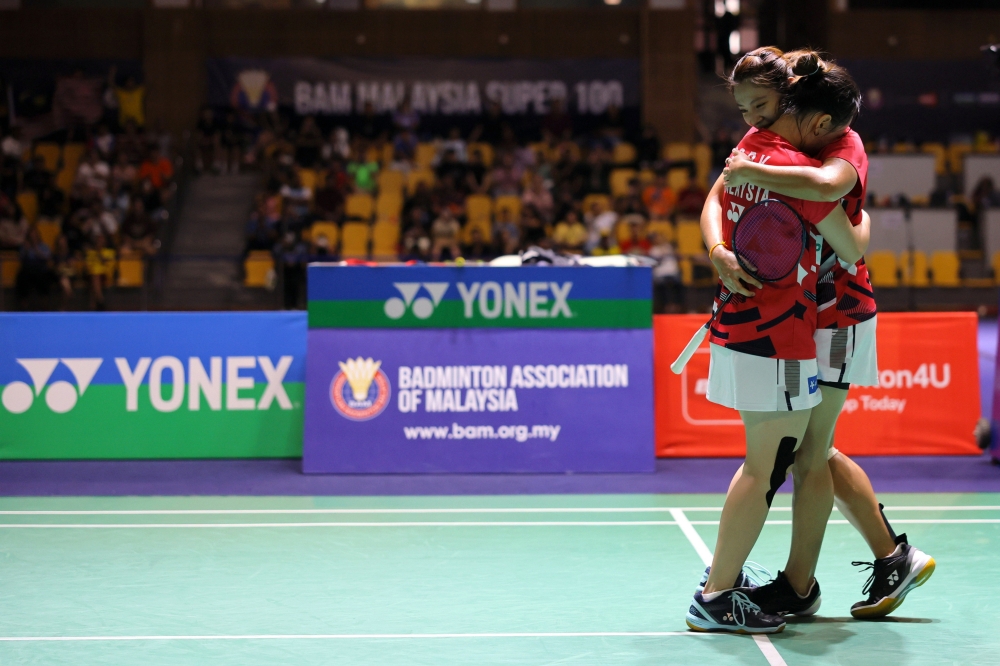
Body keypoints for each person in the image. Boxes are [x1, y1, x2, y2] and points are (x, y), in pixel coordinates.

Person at [709, 47, 934, 620]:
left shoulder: (838, 144)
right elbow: (716, 195)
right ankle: (868, 563)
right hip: (805, 314)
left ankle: (812, 581)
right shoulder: (780, 138)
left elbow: (850, 236)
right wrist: (717, 248)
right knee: (814, 451)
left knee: (812, 453)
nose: (755, 120)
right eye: (751, 109)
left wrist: (758, 171)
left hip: (839, 316)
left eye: (764, 108)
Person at [686, 48, 869, 635]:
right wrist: (862, 220)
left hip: (744, 323)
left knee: (766, 463)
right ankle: (716, 596)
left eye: (756, 105)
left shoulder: (750, 152)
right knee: (764, 469)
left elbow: (719, 195)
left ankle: (728, 581)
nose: (750, 116)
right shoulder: (794, 171)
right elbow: (851, 246)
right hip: (779, 333)